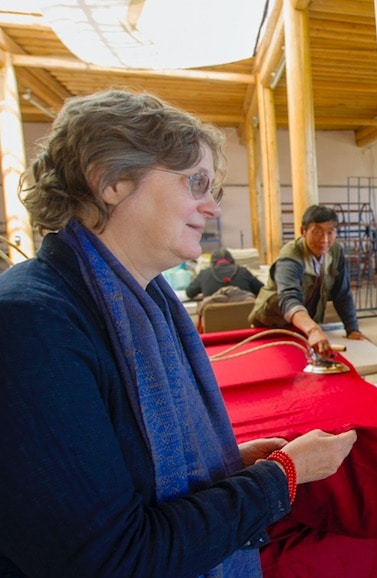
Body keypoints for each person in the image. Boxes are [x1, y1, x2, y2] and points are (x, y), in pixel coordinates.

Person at [0, 89, 357, 577]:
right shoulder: (29, 327)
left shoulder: (144, 303)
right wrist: (281, 476)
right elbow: (114, 560)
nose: (212, 208)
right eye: (196, 182)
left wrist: (223, 465)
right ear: (112, 181)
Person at [249, 204, 363, 355]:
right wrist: (313, 330)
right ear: (303, 231)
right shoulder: (290, 257)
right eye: (317, 232)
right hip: (273, 326)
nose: (324, 239)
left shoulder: (335, 251)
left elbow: (342, 293)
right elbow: (289, 298)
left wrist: (352, 329)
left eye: (330, 232)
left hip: (305, 325)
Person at [185, 246, 264, 300]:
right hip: (244, 318)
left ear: (212, 262)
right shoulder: (243, 272)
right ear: (231, 260)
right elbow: (262, 290)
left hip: (214, 319)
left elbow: (189, 293)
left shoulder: (204, 274)